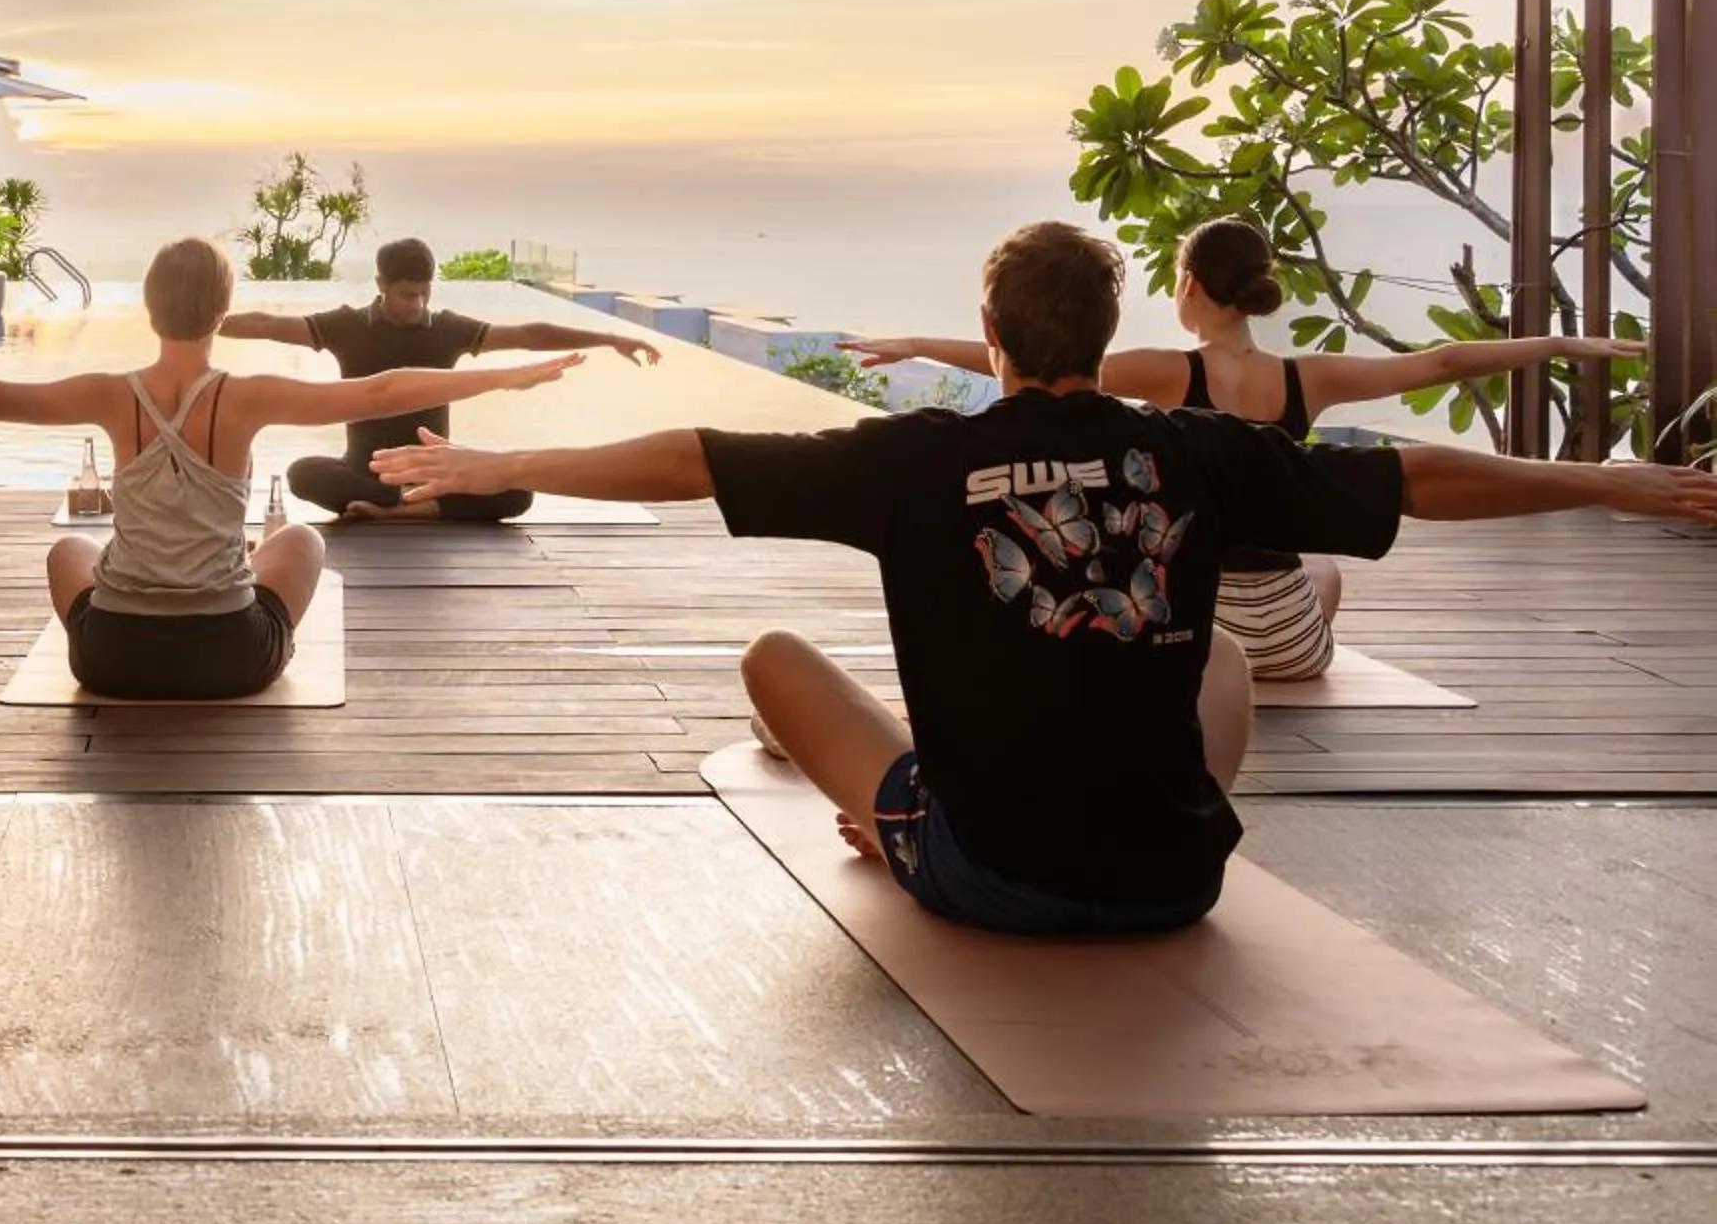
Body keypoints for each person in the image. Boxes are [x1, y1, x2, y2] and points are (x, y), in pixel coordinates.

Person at [374, 221, 1717, 936]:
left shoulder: (918, 460)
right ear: (1108, 330)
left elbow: (694, 459)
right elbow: (1417, 472)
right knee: (1231, 656)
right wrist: (1605, 479)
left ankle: (908, 834)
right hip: (1173, 883)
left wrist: (511, 469)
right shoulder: (1196, 452)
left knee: (773, 661)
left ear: (995, 337)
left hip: (992, 878)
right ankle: (949, 818)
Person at [841, 216, 1641, 679]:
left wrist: (915, 342)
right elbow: (1441, 363)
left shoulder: (1164, 372)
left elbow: (1031, 358)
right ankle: (1292, 625)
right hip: (1291, 646)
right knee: (1321, 567)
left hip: (1198, 628)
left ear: (1190, 286)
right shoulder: (1307, 377)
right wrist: (1560, 347)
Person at [0, 236, 582, 700]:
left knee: (68, 550)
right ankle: (217, 575)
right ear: (221, 314)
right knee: (304, 545)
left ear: (150, 310)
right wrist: (502, 376)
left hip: (111, 657)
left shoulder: (113, 395)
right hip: (230, 657)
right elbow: (381, 389)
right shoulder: (243, 399)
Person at [218, 236, 659, 524]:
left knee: (519, 493)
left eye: (425, 292)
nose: (417, 304)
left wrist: (609, 338)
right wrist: (193, 320)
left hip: (438, 470)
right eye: (407, 294)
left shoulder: (447, 329)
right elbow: (266, 325)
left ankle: (395, 513)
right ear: (381, 285)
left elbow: (528, 335)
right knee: (302, 473)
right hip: (365, 471)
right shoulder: (346, 326)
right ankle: (406, 508)